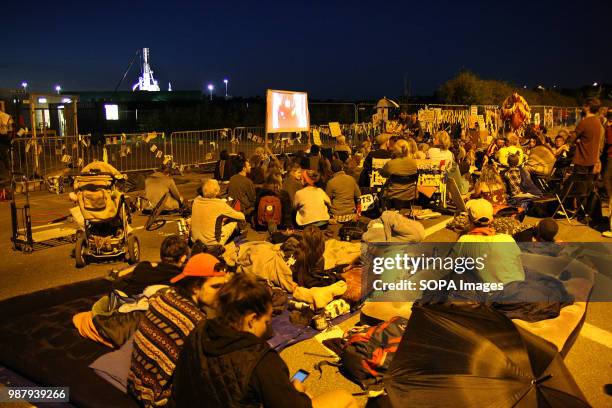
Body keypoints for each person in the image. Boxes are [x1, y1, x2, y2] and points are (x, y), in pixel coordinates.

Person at [169, 274, 358, 408]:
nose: (269, 329)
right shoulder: (260, 360)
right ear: (251, 319)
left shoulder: (199, 331)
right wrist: (298, 394)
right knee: (343, 398)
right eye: (266, 321)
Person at [128, 253, 227, 407]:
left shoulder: (164, 296)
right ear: (195, 287)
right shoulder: (196, 322)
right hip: (155, 398)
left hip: (134, 383)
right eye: (216, 286)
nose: (222, 293)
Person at [453, 199, 525, 284]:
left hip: (488, 294)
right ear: (491, 219)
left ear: (469, 219)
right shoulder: (507, 239)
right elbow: (518, 265)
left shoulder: (464, 241)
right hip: (516, 288)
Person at [113, 235, 189, 295]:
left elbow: (120, 275)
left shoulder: (143, 268)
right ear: (183, 258)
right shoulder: (182, 279)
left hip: (128, 303)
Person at [191, 179, 246, 246]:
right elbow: (241, 217)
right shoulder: (219, 204)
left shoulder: (196, 201)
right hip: (212, 243)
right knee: (234, 221)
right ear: (217, 192)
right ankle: (239, 237)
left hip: (195, 241)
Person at [380, 139, 418, 206]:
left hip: (393, 192)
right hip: (410, 193)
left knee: (383, 188)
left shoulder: (390, 163)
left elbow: (383, 174)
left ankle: (386, 209)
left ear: (395, 150)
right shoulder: (413, 163)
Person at [572, 97, 604, 174]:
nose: (583, 107)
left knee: (579, 184)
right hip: (592, 160)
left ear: (588, 107)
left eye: (584, 105)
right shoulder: (598, 122)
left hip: (582, 160)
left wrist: (576, 140)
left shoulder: (584, 122)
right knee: (587, 183)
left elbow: (571, 138)